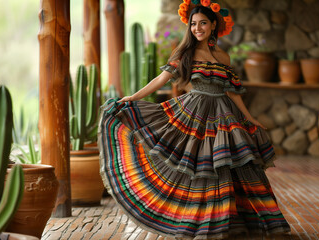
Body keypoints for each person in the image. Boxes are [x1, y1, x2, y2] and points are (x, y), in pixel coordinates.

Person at [98, 0, 291, 239]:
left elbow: (232, 91)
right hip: (195, 112)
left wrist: (250, 118)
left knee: (231, 165)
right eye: (193, 24)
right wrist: (133, 97)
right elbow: (160, 81)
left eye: (202, 23)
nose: (197, 28)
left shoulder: (223, 56)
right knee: (200, 167)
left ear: (213, 26)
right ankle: (198, 221)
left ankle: (228, 222)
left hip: (224, 113)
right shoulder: (185, 53)